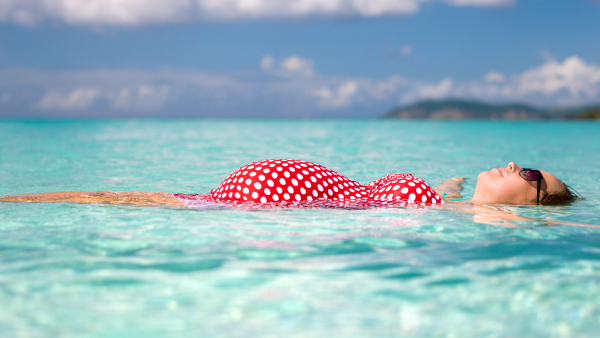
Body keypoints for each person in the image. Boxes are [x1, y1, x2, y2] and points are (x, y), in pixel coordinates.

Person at [0, 159, 583, 226]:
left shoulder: (463, 218)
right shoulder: (447, 201)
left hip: (249, 202)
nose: (516, 165)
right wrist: (448, 184)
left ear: (525, 212)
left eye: (531, 176)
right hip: (251, 193)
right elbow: (433, 191)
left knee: (116, 198)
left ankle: (14, 202)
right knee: (121, 196)